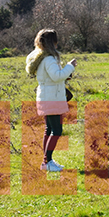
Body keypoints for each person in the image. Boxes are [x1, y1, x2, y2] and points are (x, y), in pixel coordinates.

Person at [26, 29, 76, 172]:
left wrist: (65, 74)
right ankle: (47, 162)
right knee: (57, 131)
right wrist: (70, 66)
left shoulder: (41, 57)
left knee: (49, 129)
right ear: (52, 42)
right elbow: (56, 76)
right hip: (52, 98)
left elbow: (53, 76)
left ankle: (47, 161)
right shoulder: (49, 59)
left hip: (47, 95)